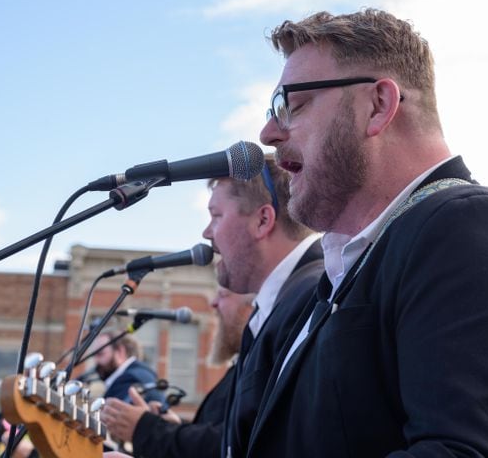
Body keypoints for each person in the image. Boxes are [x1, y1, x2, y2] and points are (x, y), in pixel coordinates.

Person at [246, 9, 488, 457]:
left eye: (290, 105)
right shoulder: (358, 267)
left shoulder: (471, 230)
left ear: (378, 105)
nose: (268, 133)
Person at [103, 156, 324, 458]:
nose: (208, 233)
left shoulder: (313, 297)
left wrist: (153, 433)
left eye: (216, 216)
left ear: (263, 220)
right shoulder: (282, 303)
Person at [102, 287, 255, 457]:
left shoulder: (257, 365)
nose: (213, 303)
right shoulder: (243, 363)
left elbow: (228, 442)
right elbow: (215, 429)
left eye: (223, 294)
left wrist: (147, 429)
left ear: (254, 304)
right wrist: (174, 426)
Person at [93, 330, 165, 404]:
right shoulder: (141, 373)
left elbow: (112, 413)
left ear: (120, 351)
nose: (96, 361)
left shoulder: (129, 379)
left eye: (100, 353)